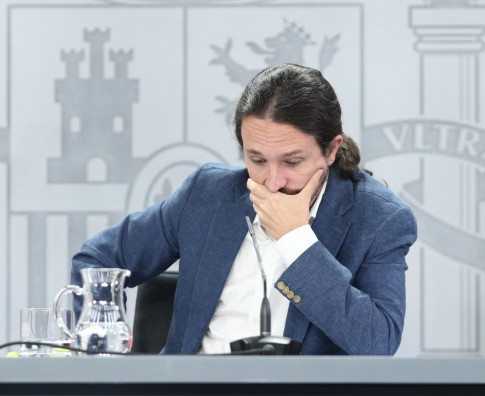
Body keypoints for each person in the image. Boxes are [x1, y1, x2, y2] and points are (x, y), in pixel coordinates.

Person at [71, 63, 417, 355]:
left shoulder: (379, 218)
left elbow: (379, 341)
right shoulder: (208, 194)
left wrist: (296, 240)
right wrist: (101, 353)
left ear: (330, 149)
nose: (272, 181)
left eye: (292, 161)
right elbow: (98, 260)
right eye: (257, 160)